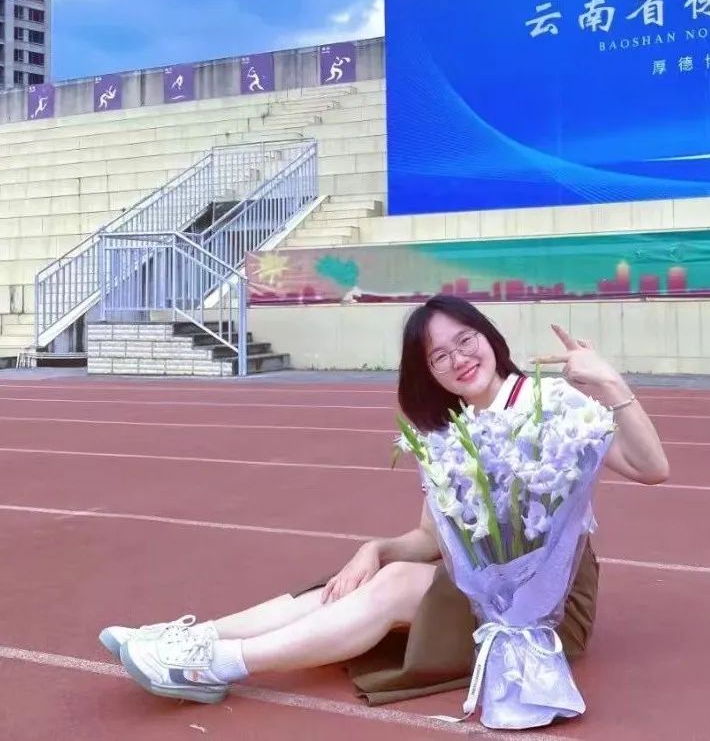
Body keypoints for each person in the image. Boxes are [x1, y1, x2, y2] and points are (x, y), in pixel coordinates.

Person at [104, 294, 669, 706]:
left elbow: (651, 469)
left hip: (547, 604)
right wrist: (373, 549)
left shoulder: (551, 401)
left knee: (396, 583)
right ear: (428, 373)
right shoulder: (446, 435)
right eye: (438, 356)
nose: (458, 359)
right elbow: (430, 538)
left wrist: (610, 383)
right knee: (356, 581)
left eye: (465, 340)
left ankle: (214, 666)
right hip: (478, 589)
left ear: (490, 337)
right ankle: (193, 638)